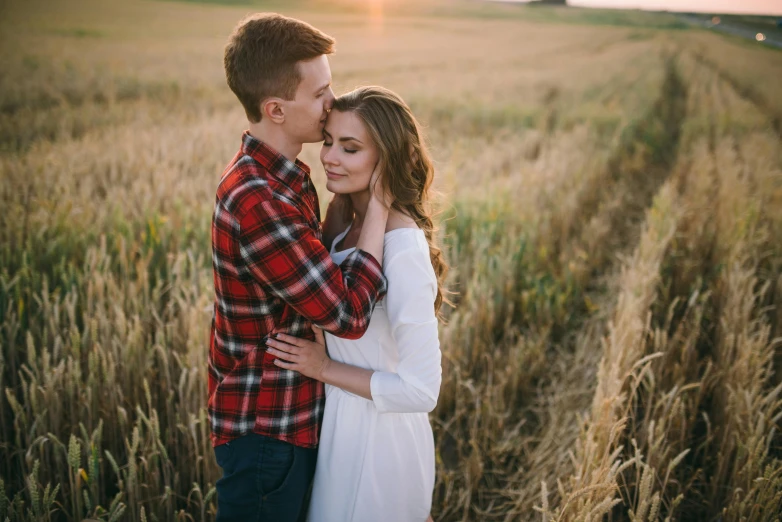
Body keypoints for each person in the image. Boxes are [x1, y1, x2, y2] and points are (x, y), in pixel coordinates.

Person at [210, 15, 394, 522]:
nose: (332, 102)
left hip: (285, 416)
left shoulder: (284, 177)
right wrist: (378, 207)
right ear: (275, 109)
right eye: (320, 93)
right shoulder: (260, 200)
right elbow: (349, 313)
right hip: (268, 424)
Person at [265, 86, 447, 522]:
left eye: (350, 148)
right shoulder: (344, 222)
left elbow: (422, 390)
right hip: (340, 426)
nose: (329, 157)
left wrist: (323, 368)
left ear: (387, 158)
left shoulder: (402, 248)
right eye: (329, 141)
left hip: (380, 443)